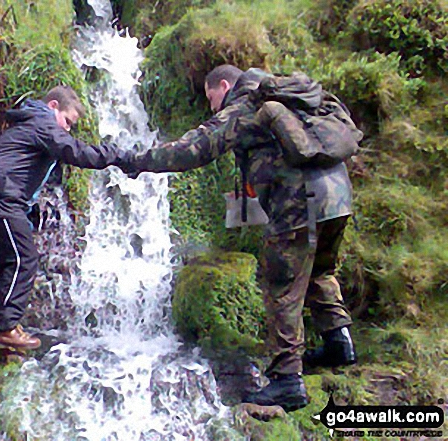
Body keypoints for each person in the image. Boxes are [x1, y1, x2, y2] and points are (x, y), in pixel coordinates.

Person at [119, 65, 358, 411]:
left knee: (281, 285)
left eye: (211, 97)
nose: (212, 106)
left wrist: (135, 160)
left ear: (224, 85)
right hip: (337, 198)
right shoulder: (295, 98)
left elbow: (193, 149)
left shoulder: (246, 106)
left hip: (297, 201)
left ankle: (287, 380)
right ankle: (339, 342)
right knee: (319, 271)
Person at [0, 85, 126, 350]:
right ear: (53, 106)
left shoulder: (32, 124)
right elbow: (76, 152)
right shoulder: (42, 123)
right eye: (67, 121)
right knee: (24, 259)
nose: (67, 129)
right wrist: (119, 156)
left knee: (8, 262)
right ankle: (4, 328)